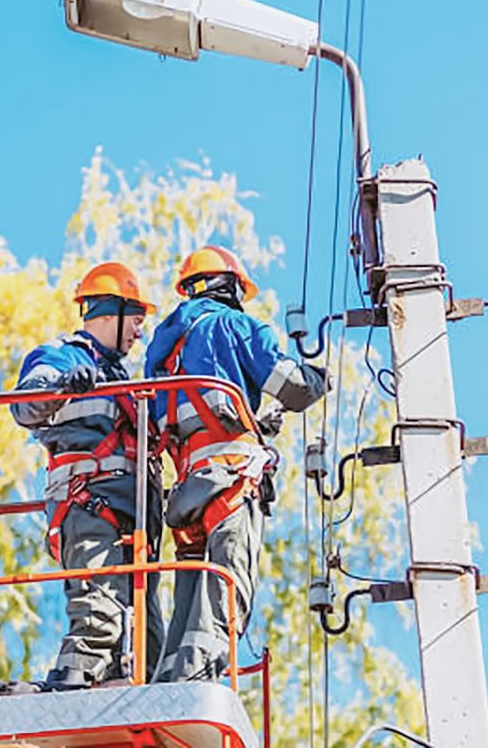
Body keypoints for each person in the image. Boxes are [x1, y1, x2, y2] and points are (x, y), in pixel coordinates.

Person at [146, 245, 327, 682]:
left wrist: (253, 421)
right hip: (231, 481)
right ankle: (201, 676)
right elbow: (294, 387)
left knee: (189, 590)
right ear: (230, 287)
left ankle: (173, 675)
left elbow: (187, 413)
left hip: (187, 489)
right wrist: (323, 376)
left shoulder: (162, 349)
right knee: (228, 580)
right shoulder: (235, 326)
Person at [10, 262, 165, 689]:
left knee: (148, 643)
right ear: (109, 312)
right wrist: (61, 385)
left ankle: (125, 697)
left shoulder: (124, 381)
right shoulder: (63, 357)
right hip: (90, 508)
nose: (138, 331)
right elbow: (25, 405)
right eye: (135, 320)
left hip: (134, 528)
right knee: (99, 618)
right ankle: (71, 687)